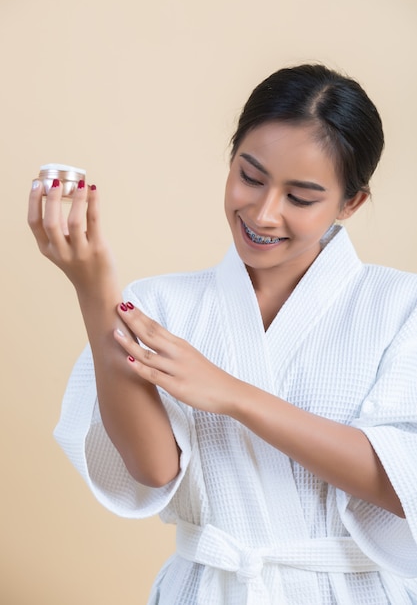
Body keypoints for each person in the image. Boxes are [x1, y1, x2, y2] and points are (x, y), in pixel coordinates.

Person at [28, 63, 417, 604]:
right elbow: (154, 470)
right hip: (209, 587)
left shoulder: (401, 306)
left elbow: (402, 481)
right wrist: (94, 289)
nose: (263, 212)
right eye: (250, 176)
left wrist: (231, 394)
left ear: (350, 203)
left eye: (300, 198)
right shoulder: (163, 303)